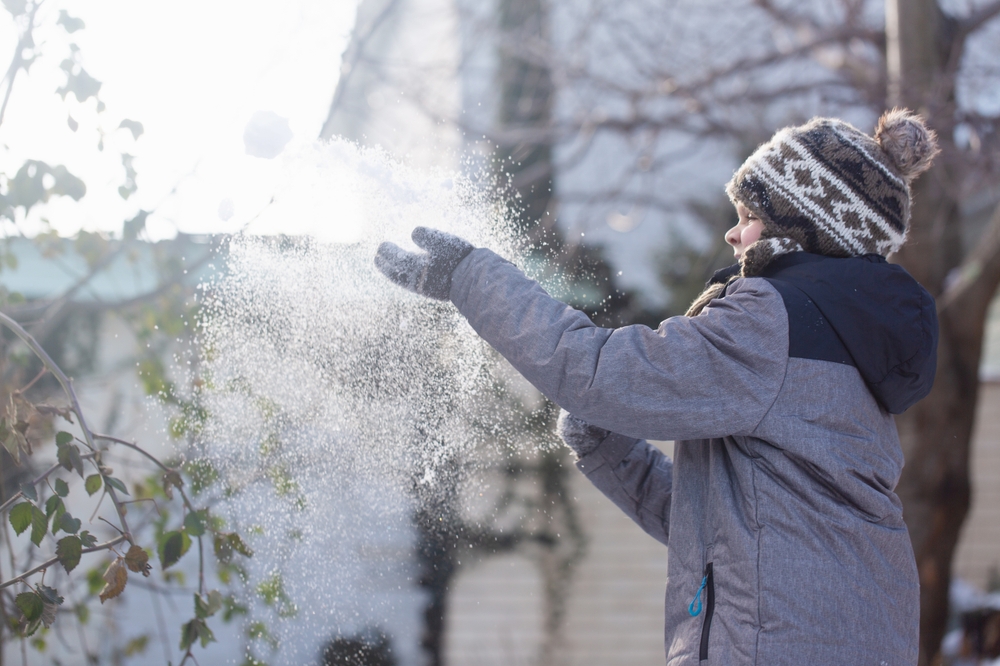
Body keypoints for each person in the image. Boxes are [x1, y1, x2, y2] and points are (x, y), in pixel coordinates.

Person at [374, 108, 940, 665]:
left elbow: (599, 371)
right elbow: (730, 527)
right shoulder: (854, 349)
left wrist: (471, 277)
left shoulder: (773, 318)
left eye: (749, 214)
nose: (733, 232)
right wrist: (609, 448)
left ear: (801, 227)